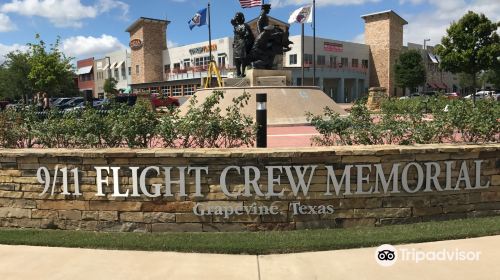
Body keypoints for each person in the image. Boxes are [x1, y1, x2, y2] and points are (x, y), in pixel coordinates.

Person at [231, 12, 254, 77]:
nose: (237, 19)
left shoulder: (245, 25)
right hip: (236, 43)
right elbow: (235, 35)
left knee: (242, 58)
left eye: (238, 17)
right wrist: (234, 42)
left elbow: (248, 34)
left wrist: (242, 33)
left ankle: (243, 73)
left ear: (241, 18)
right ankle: (238, 72)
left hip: (242, 42)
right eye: (236, 17)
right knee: (236, 59)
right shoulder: (235, 26)